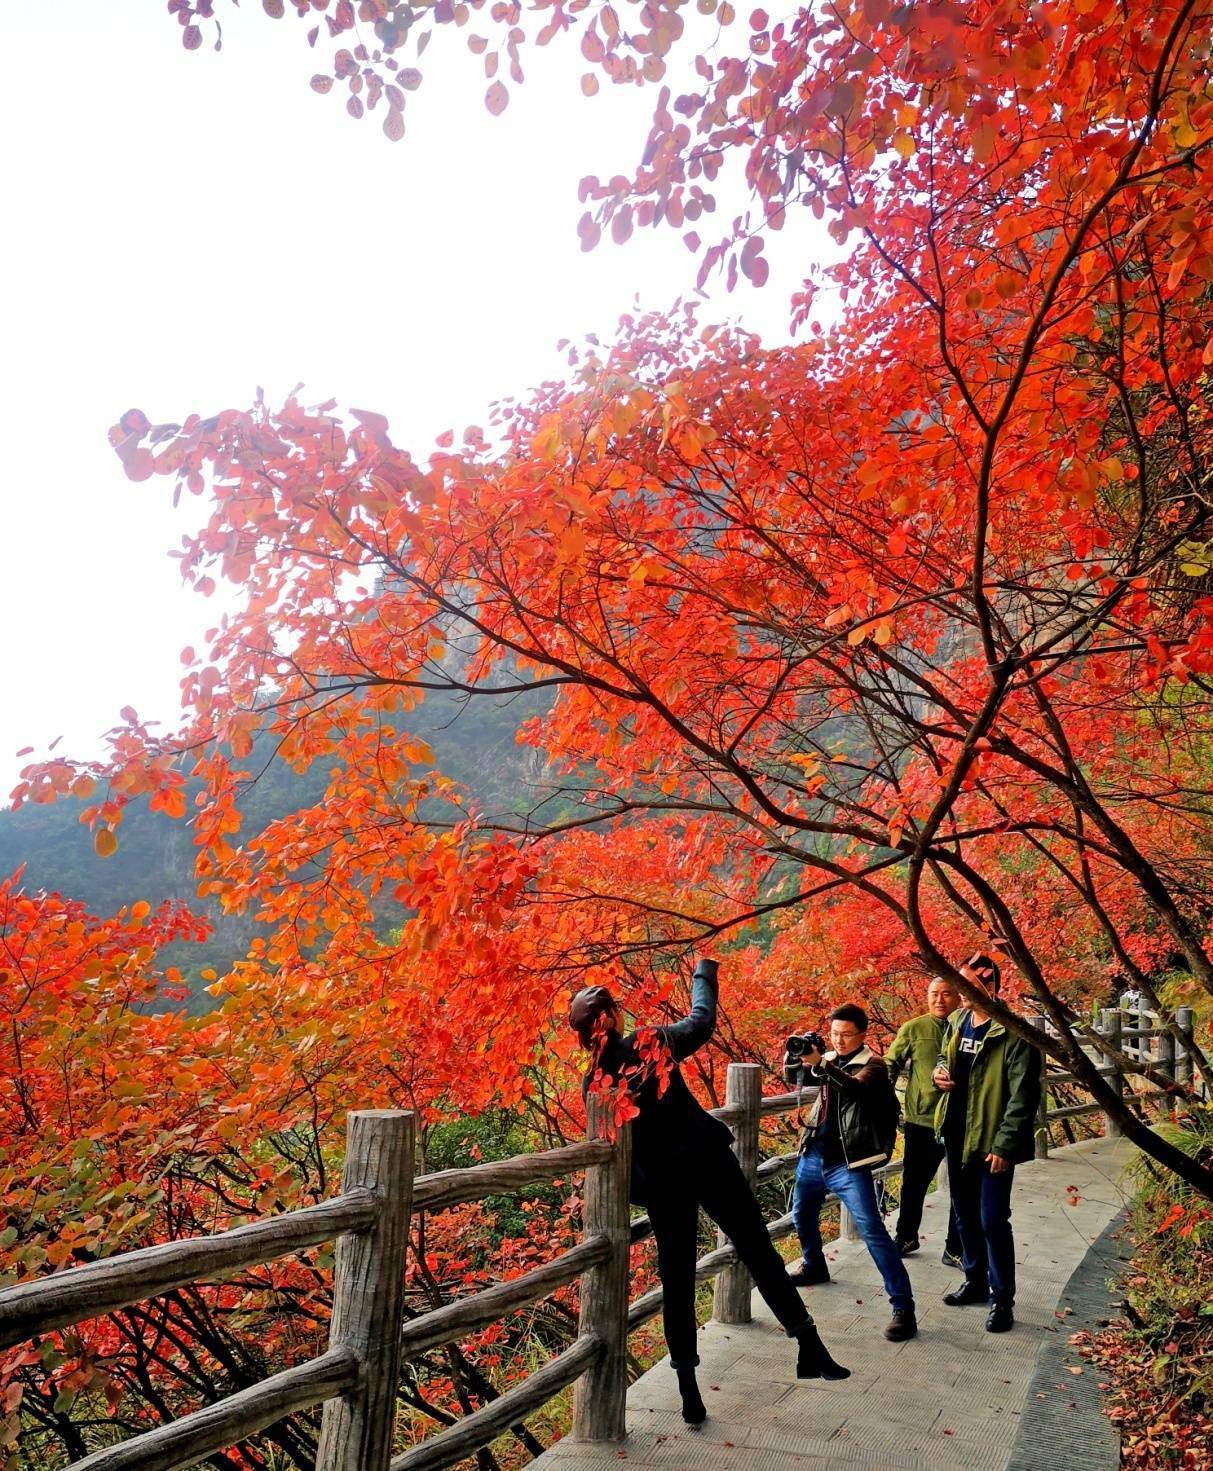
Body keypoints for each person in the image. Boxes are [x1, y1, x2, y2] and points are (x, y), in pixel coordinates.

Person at [568, 958, 849, 1427]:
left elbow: (613, 1146)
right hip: (706, 1159)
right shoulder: (651, 1041)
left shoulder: (594, 1083)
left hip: (662, 1182)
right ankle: (810, 1347)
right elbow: (702, 1020)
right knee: (757, 1248)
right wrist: (704, 973)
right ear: (614, 1017)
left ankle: (689, 1391)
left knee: (676, 1279)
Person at [783, 1004, 917, 1343]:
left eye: (846, 1035)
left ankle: (904, 1308)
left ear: (862, 1034)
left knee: (872, 1230)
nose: (839, 1040)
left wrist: (822, 1064)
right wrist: (796, 1056)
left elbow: (854, 1089)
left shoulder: (874, 1065)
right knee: (802, 1214)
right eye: (834, 1034)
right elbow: (792, 1077)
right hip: (814, 1154)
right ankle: (815, 1264)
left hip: (848, 1162)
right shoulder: (827, 1057)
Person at [933, 953, 1043, 1333]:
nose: (959, 992)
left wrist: (1006, 1145)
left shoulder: (1013, 1032)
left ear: (990, 986)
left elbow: (1024, 1096)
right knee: (963, 1213)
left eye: (968, 984)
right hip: (957, 1132)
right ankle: (975, 1280)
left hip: (992, 1139)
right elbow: (943, 1062)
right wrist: (939, 1075)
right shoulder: (959, 1022)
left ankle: (1002, 1300)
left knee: (993, 1219)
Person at [886, 976, 964, 1267]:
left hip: (960, 1119)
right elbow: (891, 1062)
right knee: (914, 1184)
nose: (939, 1000)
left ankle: (955, 1248)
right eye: (934, 994)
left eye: (946, 994)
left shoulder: (966, 1026)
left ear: (959, 997)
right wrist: (885, 1100)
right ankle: (906, 1236)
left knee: (960, 1187)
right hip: (923, 1119)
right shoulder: (915, 1028)